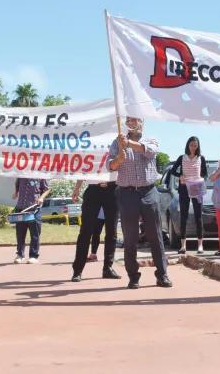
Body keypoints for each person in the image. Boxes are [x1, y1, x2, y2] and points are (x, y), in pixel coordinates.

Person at [107, 116, 172, 289]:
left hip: (149, 192)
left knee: (155, 235)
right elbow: (110, 166)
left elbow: (149, 151)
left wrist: (128, 143)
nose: (132, 122)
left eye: (135, 119)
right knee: (130, 237)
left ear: (142, 122)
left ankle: (162, 274)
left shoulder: (151, 139)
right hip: (127, 194)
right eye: (129, 119)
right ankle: (133, 276)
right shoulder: (116, 142)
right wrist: (119, 159)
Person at [70, 179, 120, 282]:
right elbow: (83, 168)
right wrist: (77, 188)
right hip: (93, 190)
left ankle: (108, 268)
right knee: (85, 231)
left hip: (112, 190)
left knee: (112, 231)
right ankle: (77, 270)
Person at [169, 136, 208, 254]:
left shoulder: (201, 158)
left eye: (195, 145)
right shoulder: (182, 157)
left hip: (196, 188)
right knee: (184, 216)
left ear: (198, 146)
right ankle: (183, 245)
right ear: (188, 145)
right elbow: (173, 170)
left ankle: (200, 245)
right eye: (191, 145)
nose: (193, 147)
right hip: (184, 188)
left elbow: (205, 173)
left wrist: (200, 179)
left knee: (198, 216)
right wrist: (180, 175)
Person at [12, 177, 49, 264]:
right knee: (20, 234)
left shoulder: (40, 175)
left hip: (34, 209)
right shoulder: (21, 175)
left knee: (35, 234)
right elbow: (17, 184)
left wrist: (41, 198)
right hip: (20, 209)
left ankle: (33, 256)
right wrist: (16, 192)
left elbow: (47, 189)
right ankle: (20, 255)